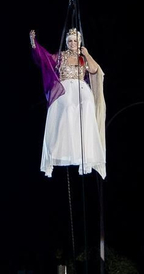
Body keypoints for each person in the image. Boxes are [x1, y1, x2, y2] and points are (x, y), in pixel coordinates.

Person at [29, 28, 107, 179]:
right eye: (70, 41)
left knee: (87, 105)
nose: (72, 43)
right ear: (67, 43)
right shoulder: (61, 56)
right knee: (70, 108)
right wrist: (34, 45)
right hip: (65, 89)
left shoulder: (82, 58)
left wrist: (86, 54)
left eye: (75, 41)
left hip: (81, 88)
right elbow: (45, 59)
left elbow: (94, 69)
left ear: (79, 42)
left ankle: (85, 154)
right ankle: (62, 150)